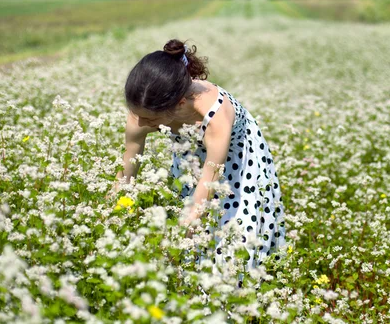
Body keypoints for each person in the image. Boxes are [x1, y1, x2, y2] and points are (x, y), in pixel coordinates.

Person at [115, 38, 287, 273]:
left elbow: (210, 178)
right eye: (137, 114)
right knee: (188, 256)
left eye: (151, 120)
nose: (141, 123)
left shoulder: (214, 114)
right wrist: (111, 210)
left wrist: (183, 229)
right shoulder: (142, 109)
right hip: (189, 163)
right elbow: (127, 170)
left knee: (236, 246)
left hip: (237, 164)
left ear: (180, 104)